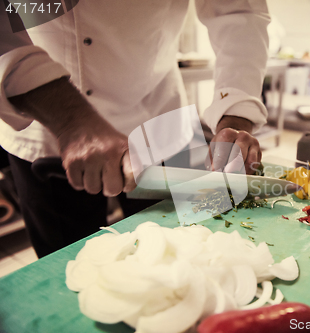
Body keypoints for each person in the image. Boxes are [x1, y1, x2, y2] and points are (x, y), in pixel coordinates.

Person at [0, 1, 271, 257]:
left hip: (161, 118)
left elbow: (238, 12)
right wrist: (70, 120)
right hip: (45, 122)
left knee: (195, 246)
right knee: (67, 267)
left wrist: (235, 115)